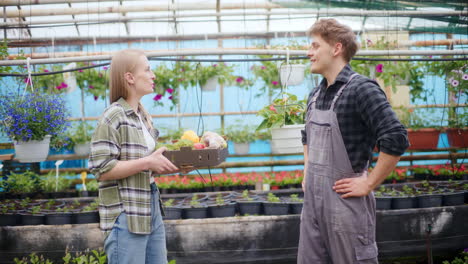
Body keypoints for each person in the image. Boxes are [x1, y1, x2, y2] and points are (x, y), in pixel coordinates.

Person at [298, 19, 409, 263]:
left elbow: (395, 137)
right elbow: (307, 136)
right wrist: (307, 169)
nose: (309, 52)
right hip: (313, 208)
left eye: (315, 46)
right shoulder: (315, 94)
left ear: (336, 48)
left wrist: (369, 183)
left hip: (345, 207)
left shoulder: (362, 89)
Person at [89, 49, 180, 264]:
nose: (153, 75)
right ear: (129, 78)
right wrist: (148, 162)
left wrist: (179, 159)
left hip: (150, 204)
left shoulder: (142, 116)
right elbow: (101, 169)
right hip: (126, 213)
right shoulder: (113, 116)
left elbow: (145, 161)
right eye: (147, 70)